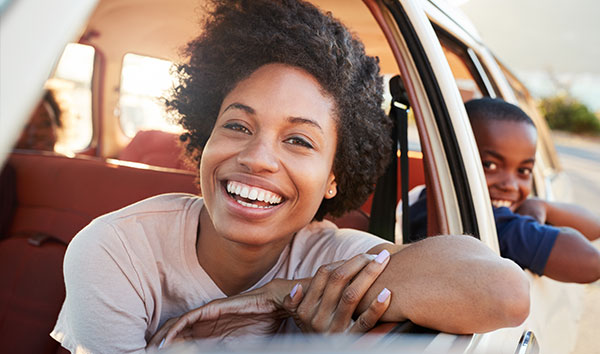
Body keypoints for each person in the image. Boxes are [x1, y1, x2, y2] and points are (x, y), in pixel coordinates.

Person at [50, 1, 529, 352]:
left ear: (334, 177)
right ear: (204, 135)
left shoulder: (330, 258)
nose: (258, 158)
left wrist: (277, 295)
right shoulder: (116, 250)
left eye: (299, 140)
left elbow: (503, 293)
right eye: (237, 125)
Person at [406, 97, 600, 283]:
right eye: (489, 165)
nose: (510, 185)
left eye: (523, 171)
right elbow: (592, 263)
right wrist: (532, 219)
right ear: (448, 158)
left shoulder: (423, 201)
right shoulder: (496, 225)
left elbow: (595, 227)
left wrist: (540, 205)